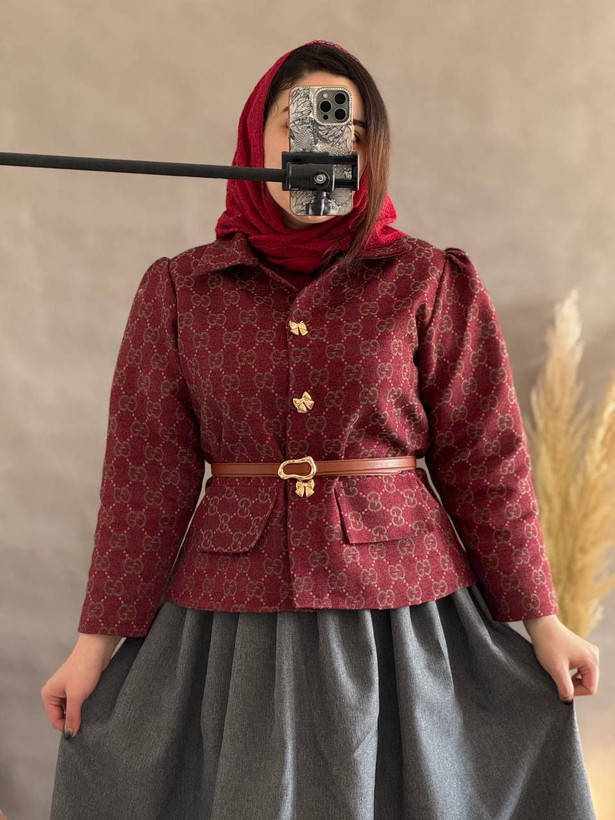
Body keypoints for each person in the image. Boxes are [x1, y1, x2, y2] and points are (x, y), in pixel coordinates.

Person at [43, 39, 599, 819]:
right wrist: (92, 647)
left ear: (371, 150)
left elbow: (486, 460)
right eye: (295, 122)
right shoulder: (181, 290)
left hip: (404, 619)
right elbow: (144, 480)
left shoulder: (428, 282)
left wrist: (542, 621)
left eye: (347, 127)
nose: (321, 140)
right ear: (255, 141)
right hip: (233, 625)